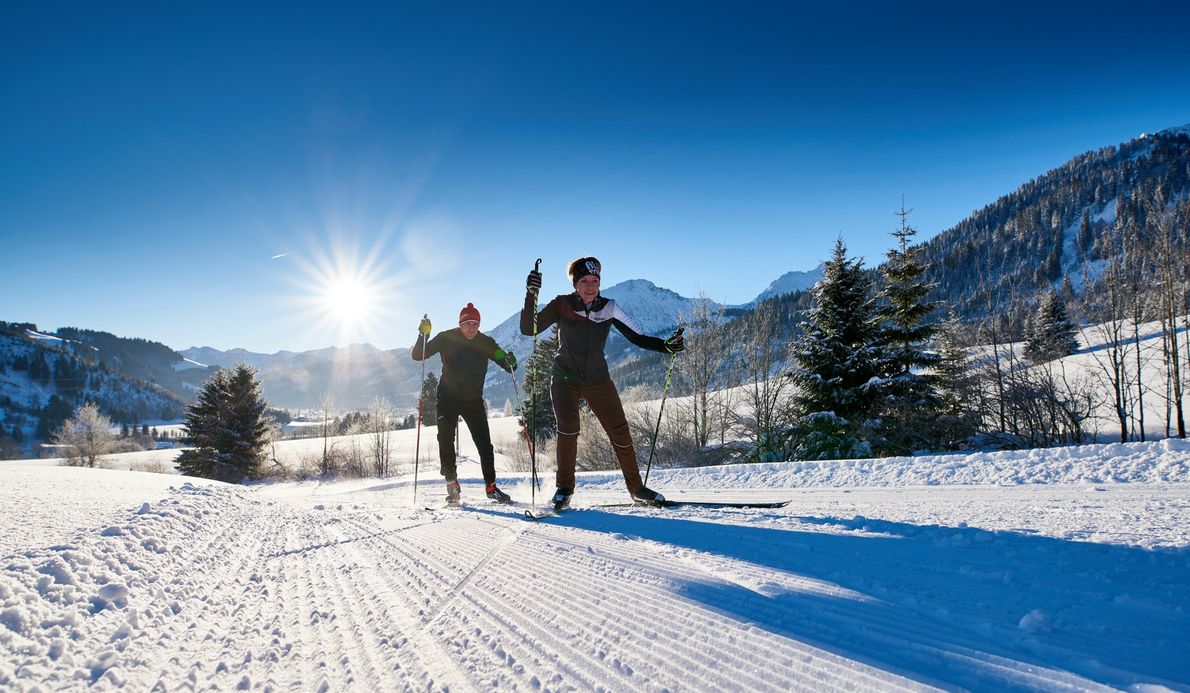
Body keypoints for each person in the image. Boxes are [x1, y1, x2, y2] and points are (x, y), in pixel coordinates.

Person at [521, 257, 685, 510]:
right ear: (576, 284)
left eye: (595, 281)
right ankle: (564, 488)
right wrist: (531, 294)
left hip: (598, 378)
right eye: (584, 281)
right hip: (565, 377)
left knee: (619, 430)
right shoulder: (562, 304)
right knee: (569, 429)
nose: (590, 287)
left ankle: (636, 489)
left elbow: (638, 336)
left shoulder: (610, 308)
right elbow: (528, 328)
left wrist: (666, 346)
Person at [411, 303, 518, 504]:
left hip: (473, 400)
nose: (472, 328)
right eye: (467, 323)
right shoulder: (446, 338)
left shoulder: (486, 342)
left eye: (475, 324)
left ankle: (491, 487)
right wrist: (422, 335)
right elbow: (418, 355)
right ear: (460, 323)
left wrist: (510, 361)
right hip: (447, 398)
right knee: (445, 439)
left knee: (485, 445)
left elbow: (507, 363)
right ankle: (452, 484)